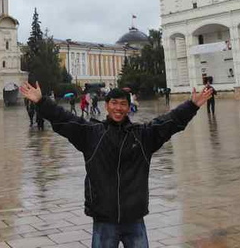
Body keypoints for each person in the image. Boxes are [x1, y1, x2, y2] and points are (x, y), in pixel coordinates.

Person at [20, 81, 211, 248]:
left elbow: (170, 122)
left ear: (129, 107)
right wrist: (41, 101)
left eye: (123, 104)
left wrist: (192, 105)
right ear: (107, 107)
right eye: (114, 103)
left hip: (134, 218)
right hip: (104, 219)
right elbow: (64, 119)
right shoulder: (91, 134)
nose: (118, 108)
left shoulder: (143, 136)